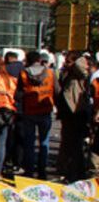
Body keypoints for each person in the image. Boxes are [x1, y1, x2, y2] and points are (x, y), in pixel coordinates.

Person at [16, 51, 56, 180]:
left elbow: (19, 94)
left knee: (29, 142)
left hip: (29, 111)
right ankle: (42, 170)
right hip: (45, 110)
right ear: (39, 59)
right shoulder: (50, 73)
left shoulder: (23, 73)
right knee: (44, 141)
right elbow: (58, 90)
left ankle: (29, 170)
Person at [56, 53, 92, 182]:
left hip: (76, 112)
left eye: (69, 61)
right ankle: (68, 171)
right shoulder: (67, 74)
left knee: (75, 144)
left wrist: (80, 57)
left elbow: (79, 65)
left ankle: (76, 173)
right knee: (68, 144)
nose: (66, 63)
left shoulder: (80, 74)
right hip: (68, 113)